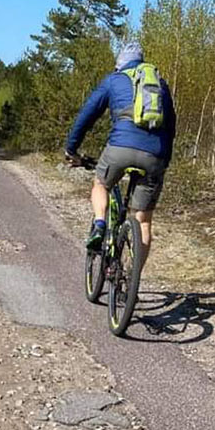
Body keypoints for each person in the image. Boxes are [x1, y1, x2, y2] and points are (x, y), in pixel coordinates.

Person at [64, 41, 176, 265]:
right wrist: (164, 161)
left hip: (119, 149)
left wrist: (72, 148)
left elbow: (87, 114)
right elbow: (171, 127)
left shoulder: (114, 80)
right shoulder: (160, 84)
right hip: (155, 156)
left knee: (101, 183)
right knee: (143, 221)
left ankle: (99, 224)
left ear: (120, 64)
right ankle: (133, 280)